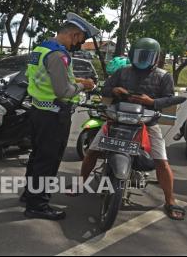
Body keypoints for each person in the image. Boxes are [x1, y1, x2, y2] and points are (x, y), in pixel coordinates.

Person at [73, 37, 185, 221]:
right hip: (117, 120)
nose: (143, 59)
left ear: (155, 57)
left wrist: (152, 102)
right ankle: (80, 183)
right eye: (140, 55)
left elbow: (169, 98)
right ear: (132, 54)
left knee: (161, 161)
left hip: (147, 122)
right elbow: (105, 90)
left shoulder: (163, 76)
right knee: (92, 151)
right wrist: (114, 90)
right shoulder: (121, 72)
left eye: (147, 56)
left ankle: (170, 200)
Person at [22, 12, 98, 220]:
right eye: (81, 40)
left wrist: (74, 80)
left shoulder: (41, 49)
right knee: (48, 160)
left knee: (37, 156)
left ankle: (29, 195)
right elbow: (63, 92)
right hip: (54, 115)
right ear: (74, 35)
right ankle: (38, 205)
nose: (80, 44)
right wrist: (84, 85)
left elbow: (39, 77)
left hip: (39, 110)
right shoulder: (59, 55)